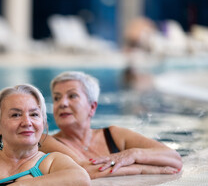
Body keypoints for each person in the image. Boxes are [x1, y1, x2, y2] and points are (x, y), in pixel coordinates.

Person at [39, 71, 183, 179]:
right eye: (57, 98)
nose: (62, 103)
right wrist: (144, 169)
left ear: (92, 107)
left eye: (72, 96)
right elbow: (81, 170)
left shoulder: (114, 135)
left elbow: (174, 158)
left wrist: (133, 154)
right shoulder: (46, 141)